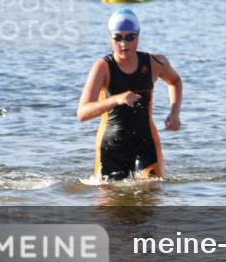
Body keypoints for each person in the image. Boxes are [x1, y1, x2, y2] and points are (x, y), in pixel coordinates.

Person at [77, 9, 182, 181]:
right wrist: (115, 99)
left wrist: (174, 113)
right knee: (110, 204)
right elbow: (82, 113)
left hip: (146, 143)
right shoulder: (102, 67)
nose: (123, 43)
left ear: (138, 36)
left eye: (130, 37)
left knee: (152, 197)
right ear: (110, 38)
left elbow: (175, 81)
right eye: (117, 37)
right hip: (111, 147)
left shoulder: (155, 63)